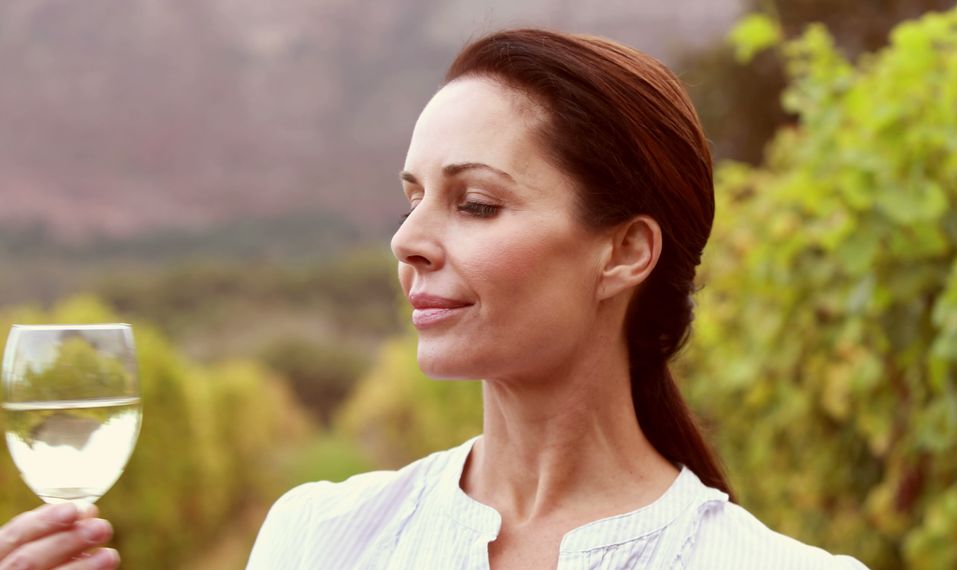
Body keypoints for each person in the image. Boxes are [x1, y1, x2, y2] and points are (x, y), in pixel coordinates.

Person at [0, 29, 867, 569]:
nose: (407, 239)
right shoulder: (319, 540)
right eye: (410, 195)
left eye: (476, 203)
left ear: (625, 251)